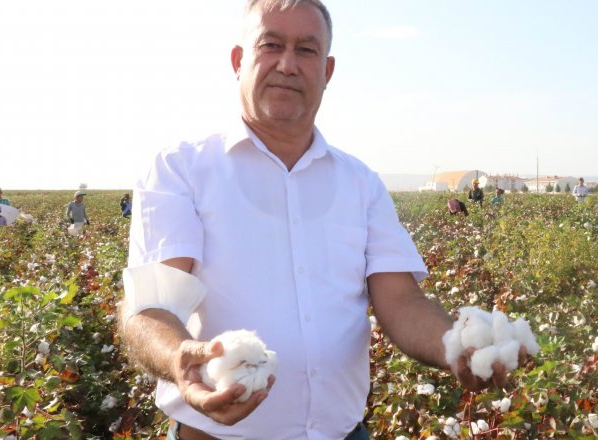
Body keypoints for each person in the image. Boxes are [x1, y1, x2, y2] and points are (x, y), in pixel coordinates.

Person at [119, 2, 524, 438]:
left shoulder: (360, 183)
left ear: (327, 70)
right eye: (271, 45)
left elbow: (401, 301)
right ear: (239, 61)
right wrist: (183, 358)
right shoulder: (182, 169)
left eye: (306, 50)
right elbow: (151, 306)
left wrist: (458, 347)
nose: (288, 65)